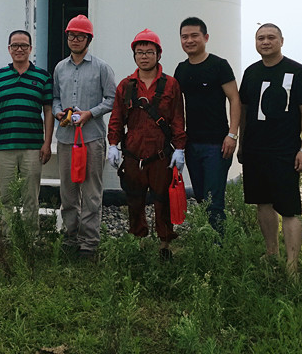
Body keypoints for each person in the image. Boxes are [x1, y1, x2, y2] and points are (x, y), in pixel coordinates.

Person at [239, 24, 302, 277]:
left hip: (285, 151)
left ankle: (292, 265)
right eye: (260, 38)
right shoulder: (251, 72)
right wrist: (242, 144)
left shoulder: (297, 72)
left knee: (290, 209)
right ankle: (272, 252)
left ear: (281, 41)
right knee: (263, 203)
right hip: (255, 150)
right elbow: (245, 110)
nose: (265, 42)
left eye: (271, 37)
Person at [107, 29, 186, 259]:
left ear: (158, 55)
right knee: (134, 198)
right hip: (133, 153)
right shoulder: (126, 86)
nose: (144, 56)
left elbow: (178, 118)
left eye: (149, 52)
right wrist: (113, 144)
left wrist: (180, 148)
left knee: (163, 199)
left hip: (160, 154)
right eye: (139, 52)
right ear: (134, 55)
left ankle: (165, 244)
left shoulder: (171, 85)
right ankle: (138, 241)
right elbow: (117, 117)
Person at [52, 15, 116, 258]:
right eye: (71, 35)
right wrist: (58, 112)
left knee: (91, 192)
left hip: (92, 138)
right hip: (66, 138)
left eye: (80, 36)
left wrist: (90, 113)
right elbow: (55, 98)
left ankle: (89, 242)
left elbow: (111, 99)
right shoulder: (60, 68)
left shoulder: (101, 67)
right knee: (68, 191)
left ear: (89, 39)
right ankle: (70, 237)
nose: (75, 40)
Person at [173, 16, 241, 233]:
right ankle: (206, 243)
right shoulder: (181, 69)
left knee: (214, 201)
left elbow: (235, 99)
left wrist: (232, 135)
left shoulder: (219, 65)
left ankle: (219, 246)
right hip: (192, 144)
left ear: (206, 37)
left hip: (217, 144)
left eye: (194, 35)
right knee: (202, 198)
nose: (189, 40)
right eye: (184, 37)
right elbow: (175, 106)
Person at [0, 30, 54, 231]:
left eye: (24, 45)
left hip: (33, 147)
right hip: (5, 146)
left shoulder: (43, 77)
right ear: (9, 49)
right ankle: (5, 238)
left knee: (30, 197)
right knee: (5, 197)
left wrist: (47, 143)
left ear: (30, 48)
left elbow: (48, 110)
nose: (19, 49)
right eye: (15, 45)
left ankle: (29, 239)